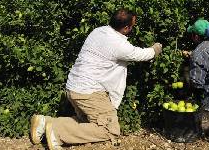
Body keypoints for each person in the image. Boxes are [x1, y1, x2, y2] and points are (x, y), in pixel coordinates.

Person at [30, 8, 163, 150]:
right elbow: (139, 54)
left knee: (87, 122)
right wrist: (155, 49)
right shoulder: (118, 44)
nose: (133, 29)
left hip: (74, 87)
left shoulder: (98, 31)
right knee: (109, 129)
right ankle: (57, 131)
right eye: (132, 26)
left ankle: (45, 123)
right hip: (89, 92)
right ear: (126, 28)